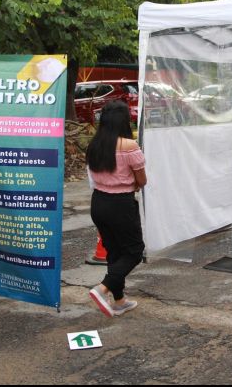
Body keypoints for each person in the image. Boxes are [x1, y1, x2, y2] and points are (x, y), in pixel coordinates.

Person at [86, 100, 147, 317]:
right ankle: (103, 288)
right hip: (120, 204)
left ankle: (119, 301)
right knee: (134, 251)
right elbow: (142, 180)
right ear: (123, 121)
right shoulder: (129, 146)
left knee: (114, 252)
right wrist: (133, 183)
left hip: (98, 203)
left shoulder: (94, 145)